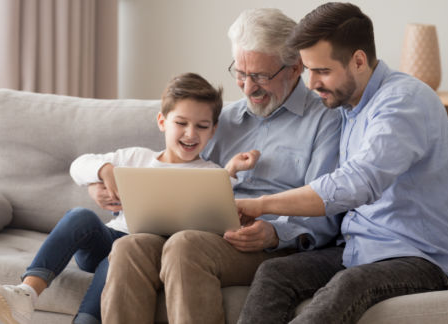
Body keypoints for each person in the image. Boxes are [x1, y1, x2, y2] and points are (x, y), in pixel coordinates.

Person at [99, 8, 342, 324]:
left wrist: (273, 233)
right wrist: (107, 182)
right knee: (130, 247)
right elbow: (176, 172)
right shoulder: (221, 121)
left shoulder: (325, 122)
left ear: (295, 67)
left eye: (260, 76)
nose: (247, 87)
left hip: (270, 246)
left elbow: (326, 212)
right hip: (201, 229)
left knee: (186, 246)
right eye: (240, 73)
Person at [235, 3, 448, 323]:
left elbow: (355, 183)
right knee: (275, 273)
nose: (311, 83)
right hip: (358, 252)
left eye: (322, 71)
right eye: (308, 70)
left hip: (424, 262)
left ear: (358, 61)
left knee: (349, 284)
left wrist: (261, 204)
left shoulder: (403, 101)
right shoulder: (349, 107)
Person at [0, 73, 260, 324]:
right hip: (109, 238)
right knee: (81, 216)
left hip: (145, 253)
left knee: (121, 256)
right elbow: (79, 165)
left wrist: (231, 172)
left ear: (213, 130)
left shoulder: (210, 173)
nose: (190, 133)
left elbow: (218, 214)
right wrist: (103, 170)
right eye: (181, 123)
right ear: (162, 122)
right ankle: (27, 291)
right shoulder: (136, 157)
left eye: (201, 126)